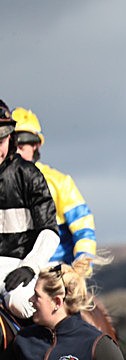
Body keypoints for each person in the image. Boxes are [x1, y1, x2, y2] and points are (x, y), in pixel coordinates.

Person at [12, 107, 97, 267]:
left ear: (36, 146)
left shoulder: (60, 182)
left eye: (22, 147)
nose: (17, 152)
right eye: (12, 146)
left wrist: (81, 268)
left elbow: (84, 228)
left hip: (54, 273)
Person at [0, 100, 59, 318]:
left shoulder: (29, 175)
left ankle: (46, 351)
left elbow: (50, 231)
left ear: (10, 138)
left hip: (20, 266)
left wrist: (30, 267)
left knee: (20, 303)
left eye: (1, 140)